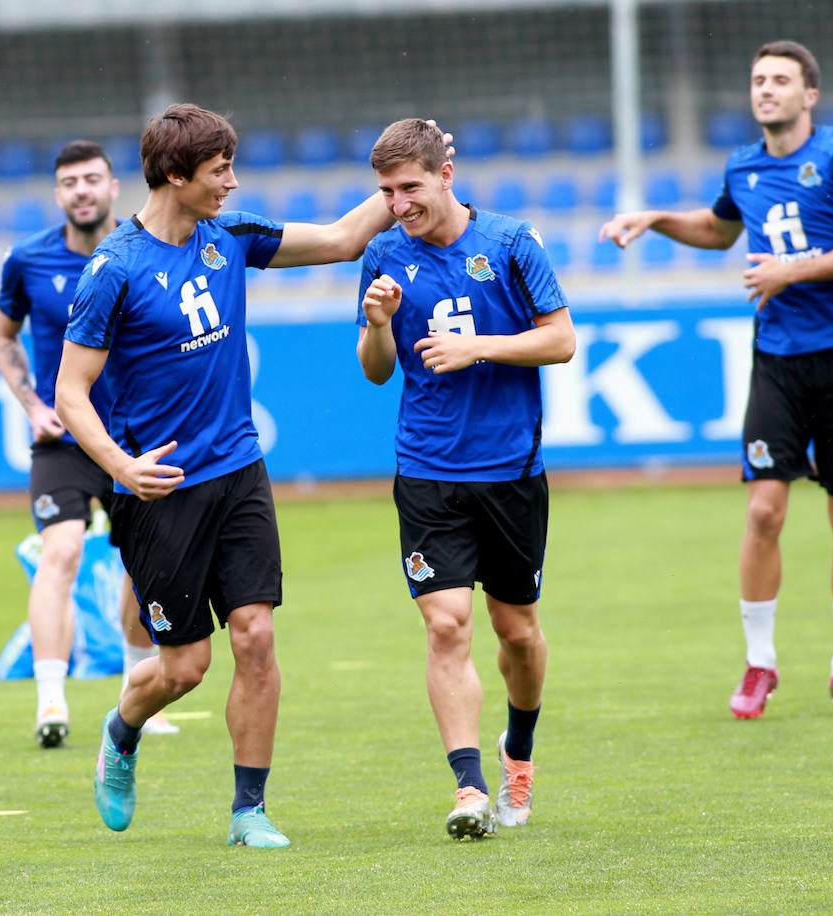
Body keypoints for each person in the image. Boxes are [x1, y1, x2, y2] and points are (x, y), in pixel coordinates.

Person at [55, 103, 428, 848]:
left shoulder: (232, 236)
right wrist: (122, 466)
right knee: (184, 667)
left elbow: (349, 237)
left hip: (239, 471)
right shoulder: (113, 273)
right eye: (219, 169)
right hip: (159, 493)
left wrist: (407, 177)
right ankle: (122, 728)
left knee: (256, 637)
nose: (231, 181)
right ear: (174, 175)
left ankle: (248, 811)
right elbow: (70, 392)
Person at [598, 40, 833, 719]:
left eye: (781, 80)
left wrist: (792, 270)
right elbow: (717, 228)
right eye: (758, 79)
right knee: (764, 509)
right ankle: (760, 663)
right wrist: (656, 218)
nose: (766, 89)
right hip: (778, 362)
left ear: (809, 95)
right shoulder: (744, 163)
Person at [355, 119, 576, 840]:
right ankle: (469, 786)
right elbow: (376, 370)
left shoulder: (511, 243)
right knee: (446, 624)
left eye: (409, 187)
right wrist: (378, 325)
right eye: (387, 191)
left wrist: (475, 348)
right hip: (425, 470)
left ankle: (519, 756)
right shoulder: (384, 253)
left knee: (517, 631)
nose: (398, 204)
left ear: (445, 176)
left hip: (510, 469)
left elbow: (562, 340)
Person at [0, 140, 176, 747]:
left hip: (132, 435)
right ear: (57, 192)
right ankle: (50, 704)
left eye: (92, 179)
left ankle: (136, 692)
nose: (81, 190)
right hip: (65, 440)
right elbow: (3, 335)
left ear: (114, 186)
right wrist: (32, 405)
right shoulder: (28, 261)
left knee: (139, 565)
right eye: (69, 181)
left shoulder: (143, 251)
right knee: (61, 552)